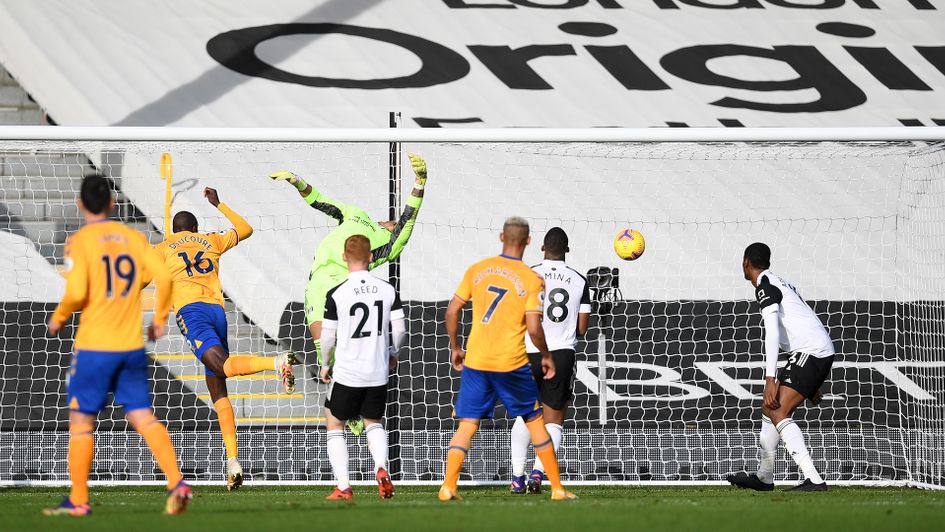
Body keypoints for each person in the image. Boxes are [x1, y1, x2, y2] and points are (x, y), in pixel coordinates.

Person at [44, 174, 192, 516]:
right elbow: (165, 276)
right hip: (131, 347)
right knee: (142, 415)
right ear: (112, 204)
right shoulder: (133, 237)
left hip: (95, 346)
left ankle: (79, 500)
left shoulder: (79, 241)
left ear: (80, 204)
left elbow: (78, 291)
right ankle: (176, 481)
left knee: (81, 421)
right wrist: (160, 319)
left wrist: (60, 317)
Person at [270, 153, 426, 434]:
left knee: (344, 346)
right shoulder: (356, 214)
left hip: (345, 286)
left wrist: (419, 186)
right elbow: (321, 202)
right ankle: (347, 406)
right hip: (318, 283)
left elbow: (408, 221)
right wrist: (296, 181)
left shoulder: (388, 245)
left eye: (395, 227)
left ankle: (353, 407)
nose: (393, 224)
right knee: (324, 347)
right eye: (391, 223)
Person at [154, 187, 295, 490]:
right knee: (218, 387)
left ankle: (276, 361)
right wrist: (218, 203)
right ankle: (233, 461)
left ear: (175, 230)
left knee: (221, 367)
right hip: (217, 312)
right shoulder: (210, 240)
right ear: (193, 229)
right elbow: (245, 229)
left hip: (192, 312)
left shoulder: (164, 248)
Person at [441, 216, 576, 501]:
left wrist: (455, 347)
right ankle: (557, 488)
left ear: (502, 237)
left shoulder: (477, 270)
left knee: (468, 424)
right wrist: (547, 355)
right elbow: (535, 328)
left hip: (477, 360)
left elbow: (452, 311)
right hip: (511, 361)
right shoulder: (530, 279)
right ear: (528, 242)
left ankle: (448, 485)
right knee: (536, 421)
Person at [727, 242, 836, 492]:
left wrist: (770, 378)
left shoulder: (766, 287)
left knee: (777, 411)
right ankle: (764, 478)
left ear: (746, 263)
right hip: (812, 351)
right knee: (769, 407)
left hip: (811, 351)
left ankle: (815, 480)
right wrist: (812, 381)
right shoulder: (778, 281)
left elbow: (772, 332)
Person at [317, 234, 407, 501]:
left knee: (334, 423)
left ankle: (343, 486)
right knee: (373, 422)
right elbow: (400, 329)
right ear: (371, 257)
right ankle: (381, 468)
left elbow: (327, 337)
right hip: (377, 372)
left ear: (345, 257)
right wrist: (393, 353)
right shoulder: (388, 289)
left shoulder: (337, 293)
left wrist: (325, 364)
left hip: (347, 372)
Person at [509, 227, 591, 494]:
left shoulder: (527, 273)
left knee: (525, 416)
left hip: (529, 350)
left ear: (542, 248)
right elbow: (581, 328)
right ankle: (537, 473)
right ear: (567, 251)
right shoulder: (580, 280)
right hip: (561, 353)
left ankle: (517, 477)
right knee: (554, 420)